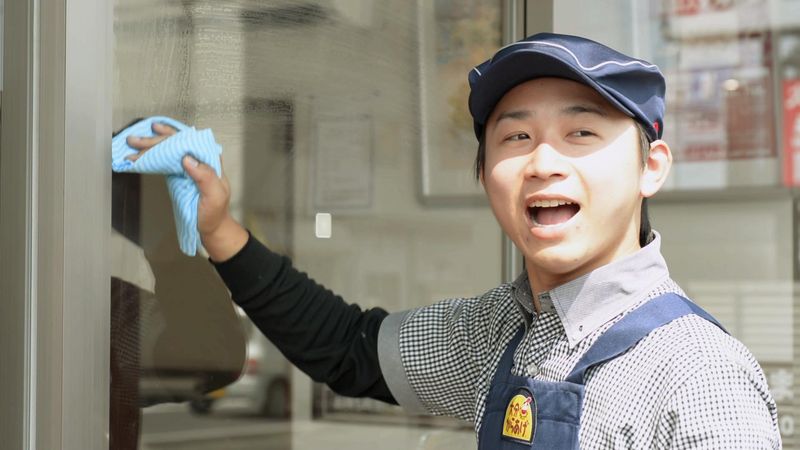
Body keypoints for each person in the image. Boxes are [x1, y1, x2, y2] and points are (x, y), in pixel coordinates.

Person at [126, 33, 781, 448]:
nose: (544, 162)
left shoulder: (701, 375)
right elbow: (346, 348)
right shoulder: (496, 332)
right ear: (485, 175)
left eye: (581, 133)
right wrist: (218, 229)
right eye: (515, 137)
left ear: (652, 167)